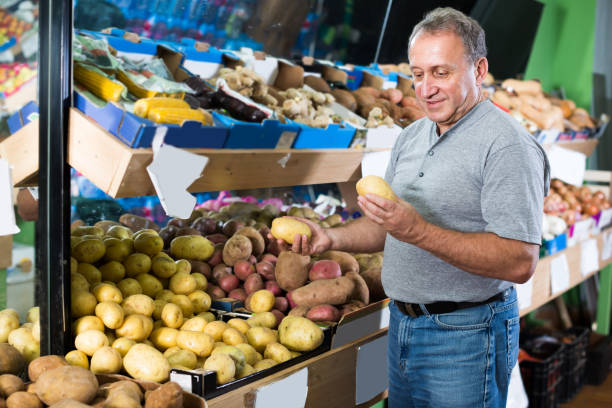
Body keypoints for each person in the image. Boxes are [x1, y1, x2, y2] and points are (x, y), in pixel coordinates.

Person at [275, 7, 549, 408]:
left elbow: (520, 262)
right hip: (402, 325)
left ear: (479, 69)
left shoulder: (507, 146)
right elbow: (389, 227)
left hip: (466, 334)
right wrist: (329, 237)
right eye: (418, 74)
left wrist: (418, 230)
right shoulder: (413, 136)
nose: (426, 89)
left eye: (441, 72)